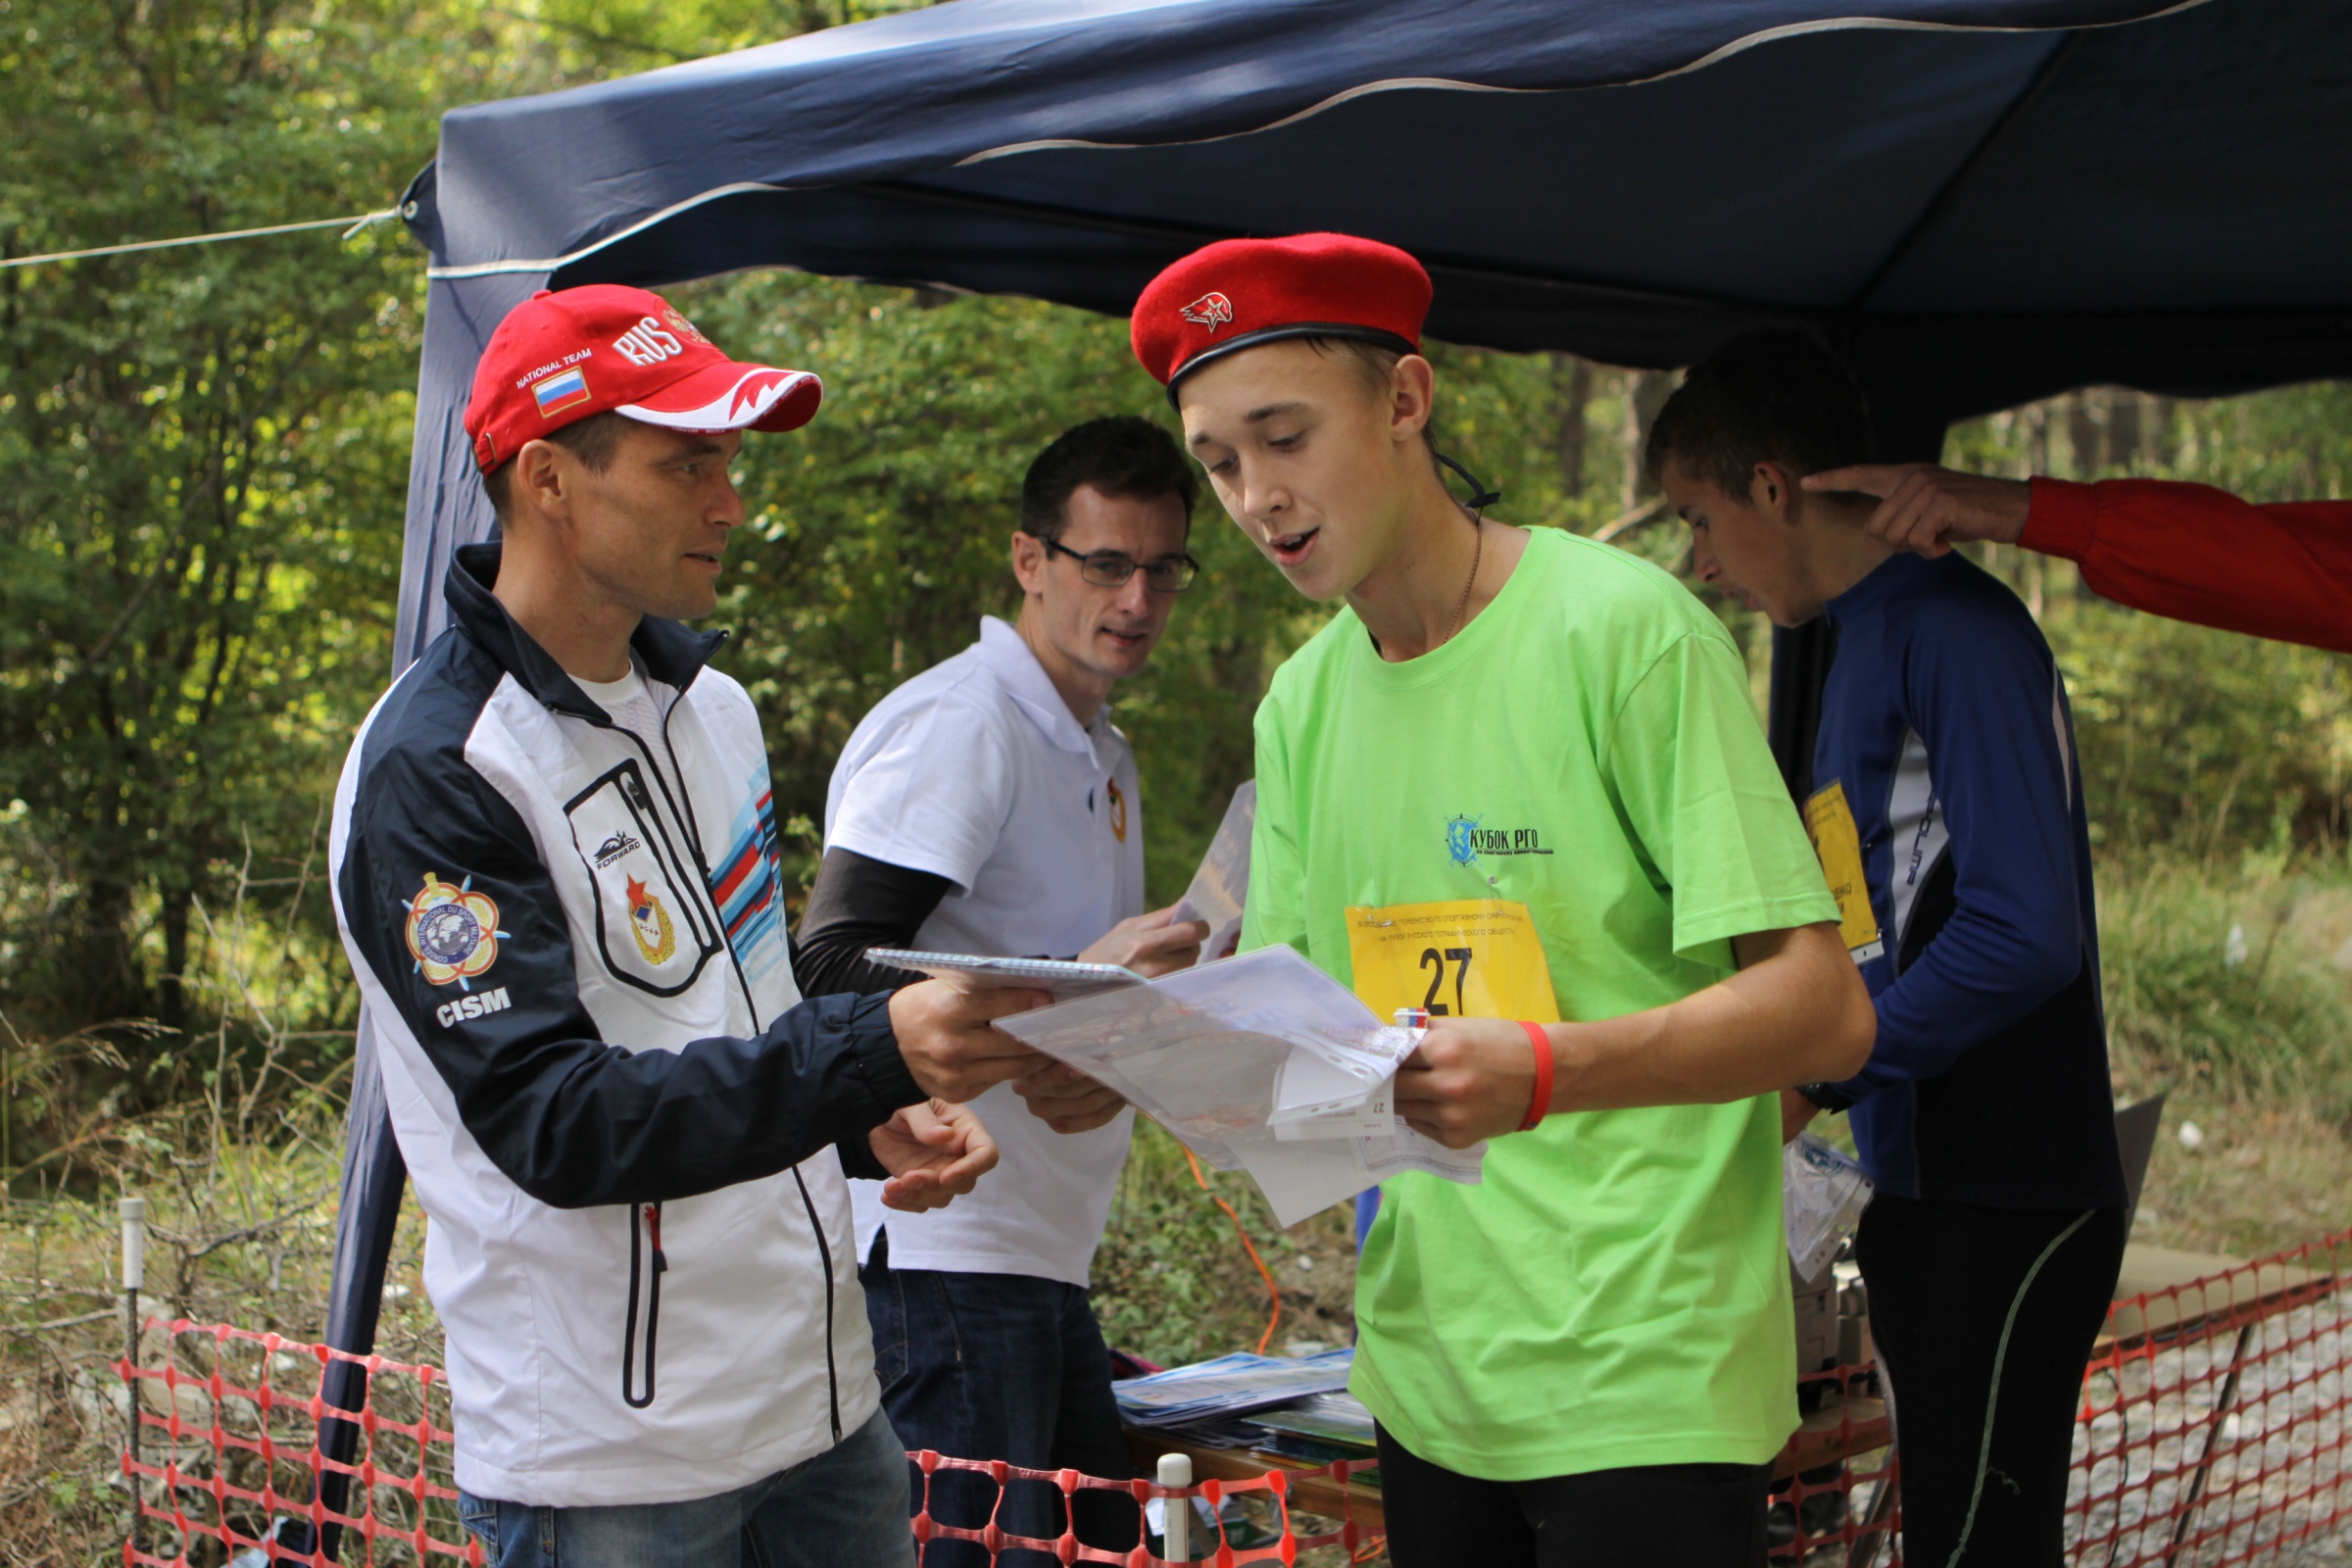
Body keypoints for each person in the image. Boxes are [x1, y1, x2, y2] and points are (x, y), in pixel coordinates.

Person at [1133, 233, 1878, 1568]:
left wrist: (1545, 1069)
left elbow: (1825, 1015)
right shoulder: (1302, 704)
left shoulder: (1627, 634)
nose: (1257, 497)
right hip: (1426, 1376)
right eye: (1220, 463)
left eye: (1285, 437)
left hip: (1644, 1378)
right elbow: (1316, 1040)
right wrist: (1131, 1044)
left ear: (1407, 403)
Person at [327, 283, 1051, 1568]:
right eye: (688, 463)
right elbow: (556, 1121)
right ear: (549, 479)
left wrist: (858, 1113)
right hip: (611, 1473)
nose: (730, 500)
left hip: (823, 1413)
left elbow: (739, 1015)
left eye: (728, 459)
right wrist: (873, 1050)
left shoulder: (714, 707)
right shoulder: (440, 769)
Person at [1649, 332, 2132, 1567]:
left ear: (1771, 485)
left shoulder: (1952, 628)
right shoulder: (1851, 635)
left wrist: (1833, 1060)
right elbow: (1874, 909)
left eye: (1700, 518)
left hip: (2009, 1188)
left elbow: (2027, 931)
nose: (1701, 561)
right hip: (1922, 1177)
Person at [792, 416, 1208, 1563]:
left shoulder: (1095, 745)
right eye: (1106, 564)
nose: (1137, 598)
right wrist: (1080, 1000)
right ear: (1031, 561)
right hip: (943, 1262)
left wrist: (1104, 1047)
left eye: (1163, 568)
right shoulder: (962, 724)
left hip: (1033, 1260)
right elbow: (828, 969)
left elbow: (1045, 998)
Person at [1799, 461, 2351, 653]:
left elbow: (2306, 576)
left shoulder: (1960, 643)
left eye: (1706, 520)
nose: (1706, 568)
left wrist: (2043, 514)